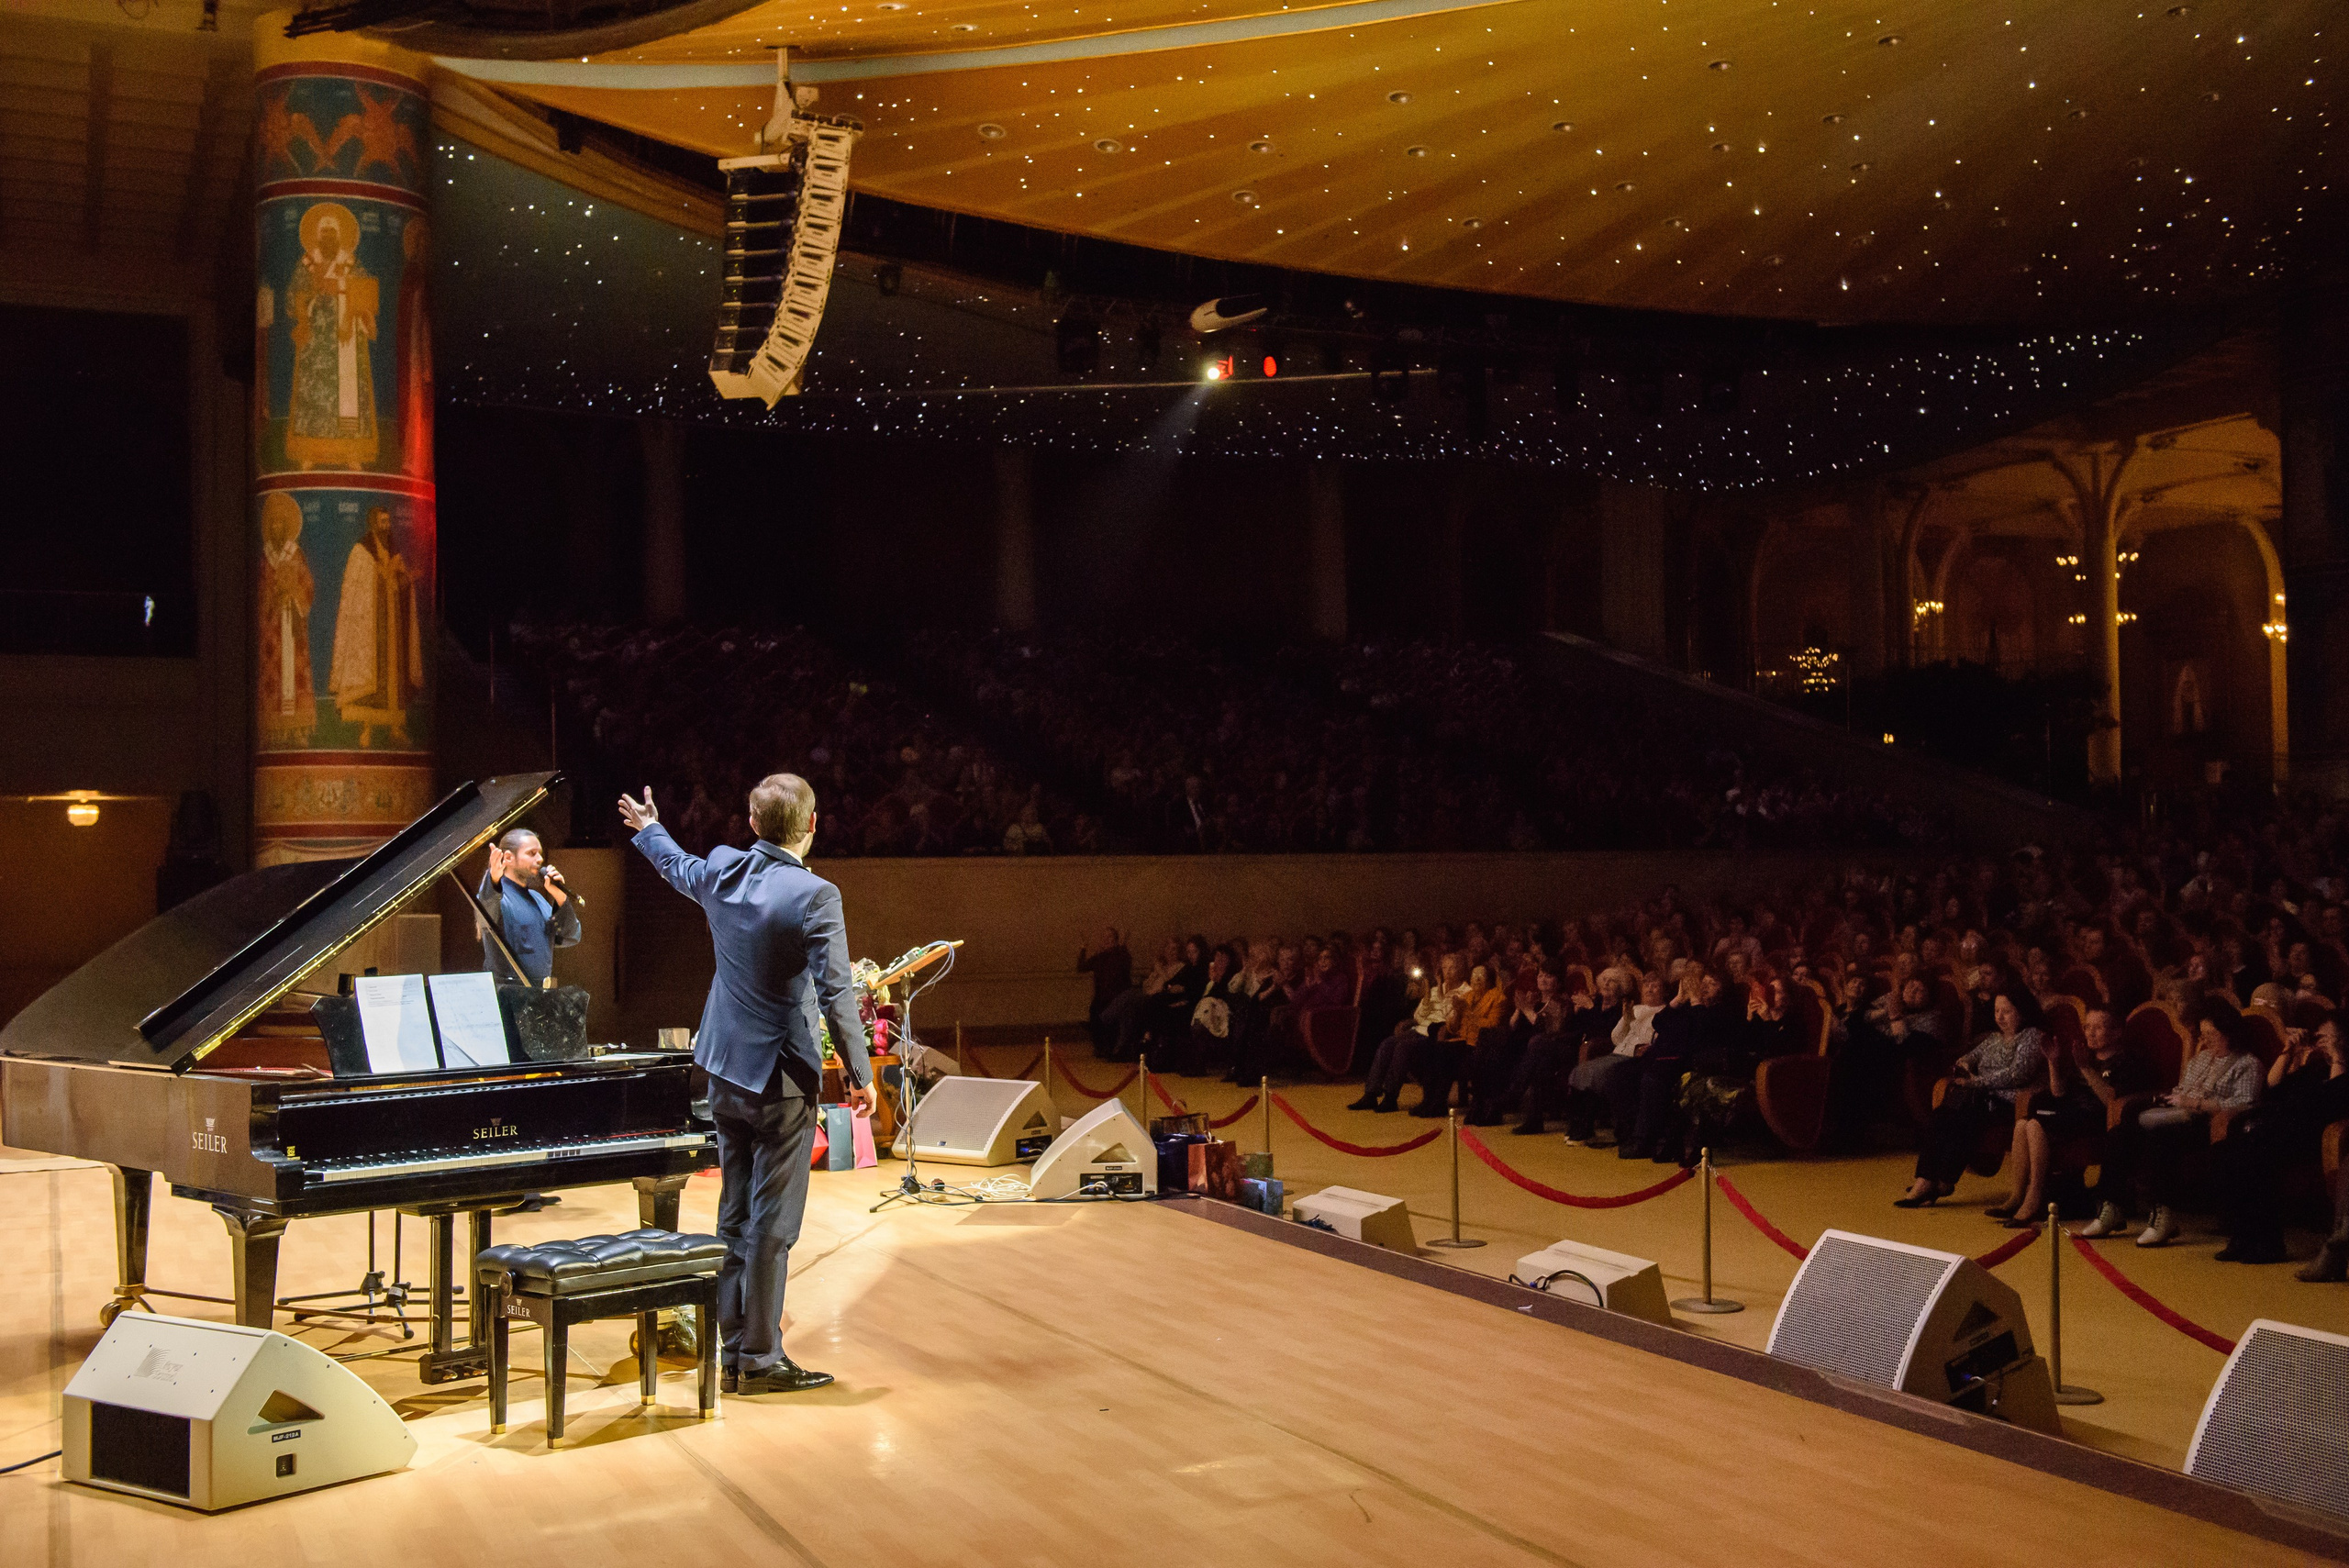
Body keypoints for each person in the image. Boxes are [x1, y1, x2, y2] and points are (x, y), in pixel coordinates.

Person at [621, 774, 874, 1396]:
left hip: (722, 1068)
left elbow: (677, 866)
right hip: (781, 1079)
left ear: (753, 824)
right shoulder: (816, 895)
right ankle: (759, 1358)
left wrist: (649, 827)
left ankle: (733, 1343)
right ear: (811, 826)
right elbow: (838, 991)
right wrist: (860, 1073)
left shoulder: (724, 869)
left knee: (735, 1210)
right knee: (773, 1223)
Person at [2096, 1000, 2265, 1248]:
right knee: (2121, 1131)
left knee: (2161, 1137)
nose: (2206, 1041)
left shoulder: (2248, 1064)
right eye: (2203, 1034)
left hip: (2213, 1124)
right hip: (2181, 1114)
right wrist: (2174, 1099)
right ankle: (2111, 1206)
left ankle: (2163, 1216)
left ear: (2228, 1033)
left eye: (2211, 1034)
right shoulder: (2201, 1060)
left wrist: (2195, 1103)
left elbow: (2244, 1104)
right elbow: (2181, 1089)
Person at [2211, 1018, 2347, 1262]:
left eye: (2326, 1038)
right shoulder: (2315, 1069)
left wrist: (2338, 1055)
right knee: (2233, 1147)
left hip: (2315, 1138)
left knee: (2255, 1150)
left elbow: (2333, 1097)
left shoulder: (2343, 1074)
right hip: (2284, 1131)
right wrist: (2288, 1052)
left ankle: (2268, 1243)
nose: (2320, 1043)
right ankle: (2243, 1235)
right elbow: (2273, 1088)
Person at [1897, 990, 2047, 1207]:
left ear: (2022, 1013)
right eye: (1997, 1011)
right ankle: (1925, 1180)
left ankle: (1944, 1181)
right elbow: (1966, 1058)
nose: (2000, 1017)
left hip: (2011, 1103)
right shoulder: (1993, 1039)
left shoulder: (2032, 1036)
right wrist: (1965, 1067)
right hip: (1981, 1098)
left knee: (1965, 1115)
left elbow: (2017, 1074)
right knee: (1941, 1115)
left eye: (2006, 1011)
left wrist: (1975, 1082)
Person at [475, 828, 581, 986]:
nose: (540, 859)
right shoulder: (498, 896)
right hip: (507, 997)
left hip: (539, 996)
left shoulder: (537, 898)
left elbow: (570, 936)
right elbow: (486, 907)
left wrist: (560, 896)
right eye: (532, 853)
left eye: (540, 853)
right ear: (509, 858)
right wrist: (493, 879)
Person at [1077, 928, 1132, 1053]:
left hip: (1117, 997)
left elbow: (1125, 965)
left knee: (1104, 1014)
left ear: (1115, 940)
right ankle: (1100, 1047)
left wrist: (1123, 945)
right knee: (1094, 1010)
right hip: (1101, 997)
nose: (1106, 940)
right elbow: (1081, 967)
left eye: (1110, 937)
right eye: (1104, 937)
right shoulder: (1099, 958)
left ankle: (1108, 1047)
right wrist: (1083, 947)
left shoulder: (1121, 955)